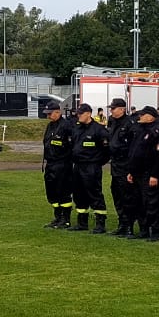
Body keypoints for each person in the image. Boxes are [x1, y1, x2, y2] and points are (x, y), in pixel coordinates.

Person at [125, 105, 159, 241]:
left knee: (151, 203)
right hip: (137, 173)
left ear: (150, 117)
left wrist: (154, 175)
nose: (140, 116)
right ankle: (143, 229)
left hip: (148, 174)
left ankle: (155, 231)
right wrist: (131, 171)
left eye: (142, 114)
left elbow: (158, 157)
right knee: (138, 202)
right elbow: (133, 152)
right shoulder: (139, 130)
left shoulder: (156, 133)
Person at [69, 103, 111, 233]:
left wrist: (97, 162)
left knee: (94, 193)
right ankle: (82, 222)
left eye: (81, 113)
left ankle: (100, 223)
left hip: (91, 166)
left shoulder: (98, 130)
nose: (78, 116)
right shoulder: (77, 128)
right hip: (78, 166)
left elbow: (107, 150)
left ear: (88, 113)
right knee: (78, 193)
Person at [105, 97, 139, 236]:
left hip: (125, 165)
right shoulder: (113, 122)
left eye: (113, 109)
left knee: (127, 196)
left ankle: (129, 225)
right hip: (116, 165)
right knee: (116, 194)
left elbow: (133, 147)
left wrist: (131, 168)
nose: (111, 111)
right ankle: (122, 223)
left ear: (122, 109)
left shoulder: (130, 124)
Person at [41, 100, 74, 229]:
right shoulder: (50, 126)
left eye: (50, 113)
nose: (48, 116)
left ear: (58, 112)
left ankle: (65, 219)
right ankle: (57, 217)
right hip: (50, 164)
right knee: (52, 191)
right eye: (47, 114)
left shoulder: (66, 126)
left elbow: (72, 146)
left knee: (63, 191)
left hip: (63, 164)